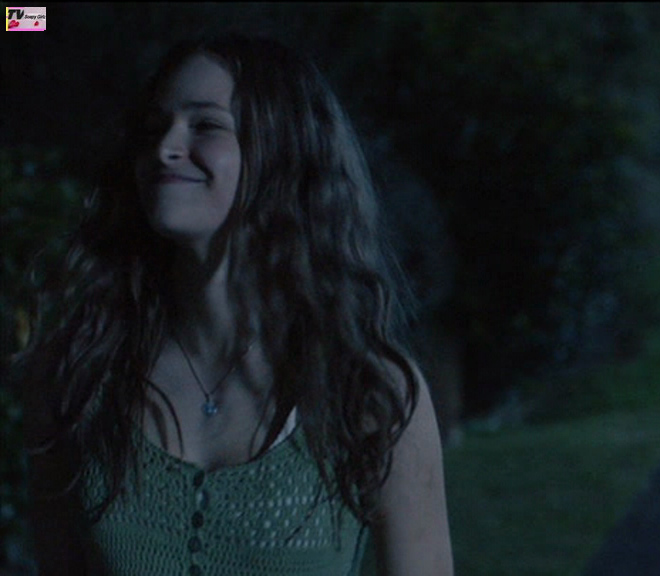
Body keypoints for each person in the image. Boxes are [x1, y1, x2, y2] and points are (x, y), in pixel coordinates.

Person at [16, 34, 453, 576]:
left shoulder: (370, 392)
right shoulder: (76, 375)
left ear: (283, 150)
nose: (165, 147)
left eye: (205, 125)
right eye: (154, 128)